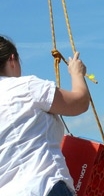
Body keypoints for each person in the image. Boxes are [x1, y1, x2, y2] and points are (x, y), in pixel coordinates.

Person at [0, 35, 90, 196]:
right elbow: (79, 102)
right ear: (12, 60)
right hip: (43, 186)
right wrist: (77, 73)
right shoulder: (25, 87)